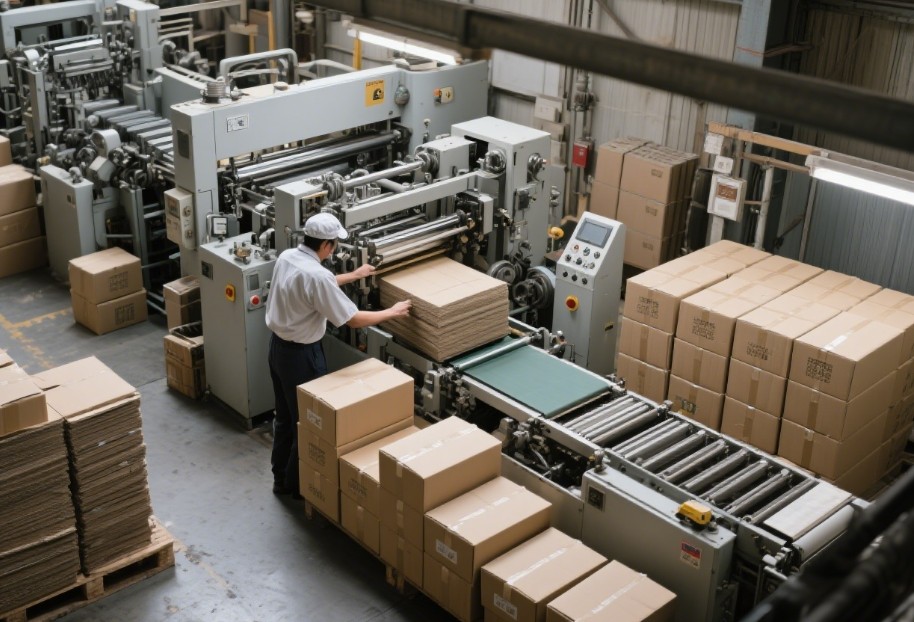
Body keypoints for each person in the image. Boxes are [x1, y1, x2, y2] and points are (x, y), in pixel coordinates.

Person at [265, 213, 411, 497]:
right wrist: (392, 312)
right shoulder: (318, 276)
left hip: (278, 350)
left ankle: (280, 478)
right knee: (307, 423)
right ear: (326, 245)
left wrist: (354, 275)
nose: (333, 251)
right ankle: (297, 487)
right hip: (302, 358)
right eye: (333, 246)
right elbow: (352, 319)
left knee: (284, 417)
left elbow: (316, 284)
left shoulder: (287, 257)